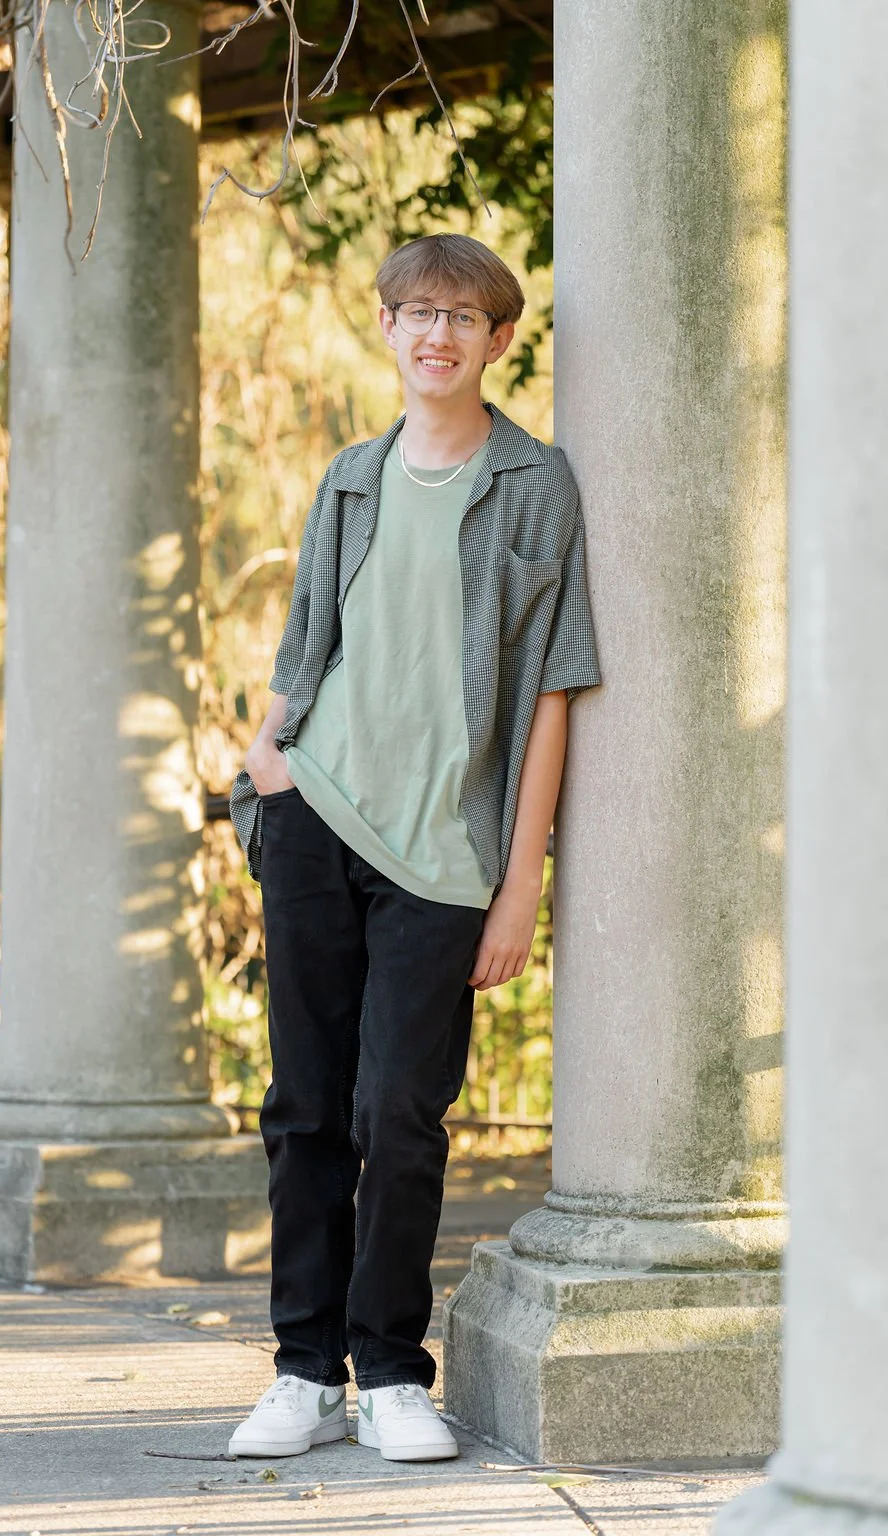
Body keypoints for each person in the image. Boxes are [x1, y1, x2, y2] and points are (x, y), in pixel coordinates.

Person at [227, 232, 602, 1463]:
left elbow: (552, 690)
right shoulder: (348, 476)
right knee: (302, 1109)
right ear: (386, 329)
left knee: (401, 1108)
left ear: (500, 340)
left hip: (445, 851)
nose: (436, 334)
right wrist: (264, 767)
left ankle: (389, 1369)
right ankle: (301, 1368)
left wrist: (519, 884)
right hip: (314, 813)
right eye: (414, 312)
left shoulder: (535, 483)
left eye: (463, 317)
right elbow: (303, 650)